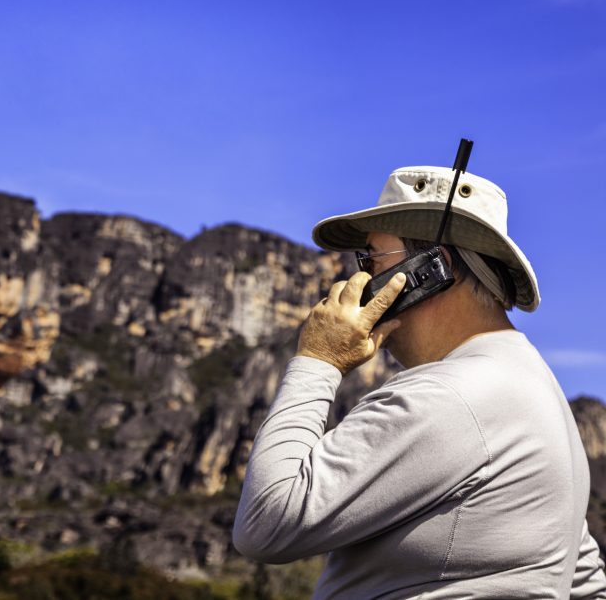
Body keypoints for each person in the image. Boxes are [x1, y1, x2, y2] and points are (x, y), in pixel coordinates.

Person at [231, 165, 606, 598]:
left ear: (432, 269)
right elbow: (586, 586)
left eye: (370, 259)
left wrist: (318, 358)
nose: (358, 280)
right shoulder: (538, 395)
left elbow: (265, 522)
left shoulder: (449, 395)